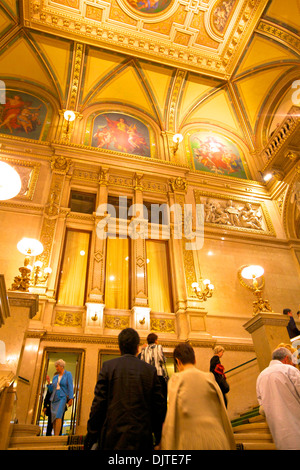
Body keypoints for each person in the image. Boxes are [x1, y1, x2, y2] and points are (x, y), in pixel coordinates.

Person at [84, 328, 165, 451]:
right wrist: (155, 433)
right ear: (138, 348)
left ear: (119, 348)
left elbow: (98, 405)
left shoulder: (108, 367)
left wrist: (92, 433)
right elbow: (158, 407)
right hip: (142, 439)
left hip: (112, 439)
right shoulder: (150, 371)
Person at [160, 343, 236, 450]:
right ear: (195, 360)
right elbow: (223, 413)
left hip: (190, 442)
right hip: (218, 441)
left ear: (178, 361)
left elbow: (172, 419)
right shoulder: (210, 378)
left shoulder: (176, 379)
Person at [256, 347, 300, 450]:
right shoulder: (289, 370)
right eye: (292, 362)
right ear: (286, 359)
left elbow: (262, 410)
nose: (294, 365)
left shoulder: (260, 377)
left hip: (279, 434)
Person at [140, 333, 168, 419]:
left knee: (150, 399)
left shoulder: (144, 350)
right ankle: (161, 418)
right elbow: (162, 359)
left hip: (148, 377)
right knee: (161, 399)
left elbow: (142, 362)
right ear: (155, 340)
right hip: (159, 375)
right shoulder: (158, 347)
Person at [46, 359, 74, 436]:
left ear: (62, 366)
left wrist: (71, 398)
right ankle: (55, 434)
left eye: (57, 366)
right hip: (54, 398)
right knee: (54, 418)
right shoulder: (55, 377)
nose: (56, 368)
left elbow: (70, 386)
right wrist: (48, 382)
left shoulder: (68, 374)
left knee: (58, 416)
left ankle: (56, 436)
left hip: (62, 397)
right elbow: (52, 390)